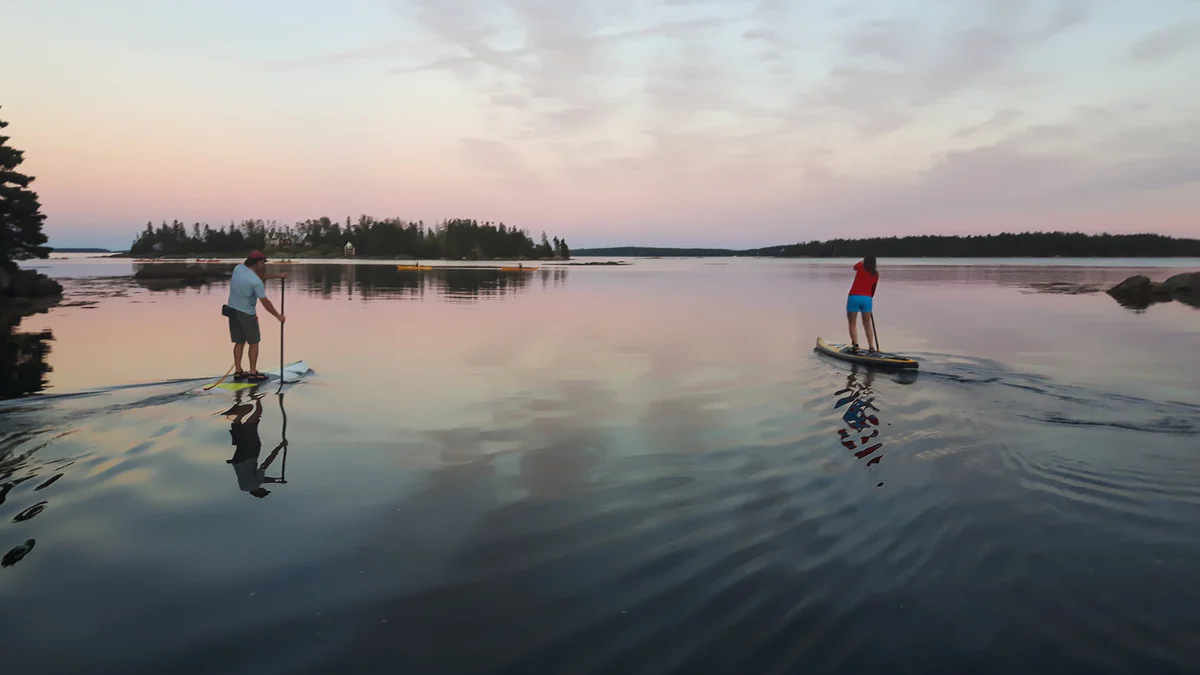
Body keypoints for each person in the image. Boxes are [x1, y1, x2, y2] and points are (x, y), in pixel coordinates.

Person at [224, 250, 286, 381]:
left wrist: (277, 275)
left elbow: (257, 277)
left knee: (239, 342)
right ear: (257, 262)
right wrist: (278, 315)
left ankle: (238, 371)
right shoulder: (255, 282)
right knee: (254, 342)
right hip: (247, 314)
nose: (264, 264)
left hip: (232, 311)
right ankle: (253, 373)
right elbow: (265, 301)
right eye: (263, 262)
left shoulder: (238, 268)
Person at [846, 256, 878, 353]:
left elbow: (854, 266)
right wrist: (869, 300)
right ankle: (871, 346)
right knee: (867, 324)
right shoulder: (876, 274)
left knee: (852, 323)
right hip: (867, 299)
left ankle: (855, 345)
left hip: (854, 297)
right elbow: (873, 289)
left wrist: (862, 261)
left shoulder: (860, 268)